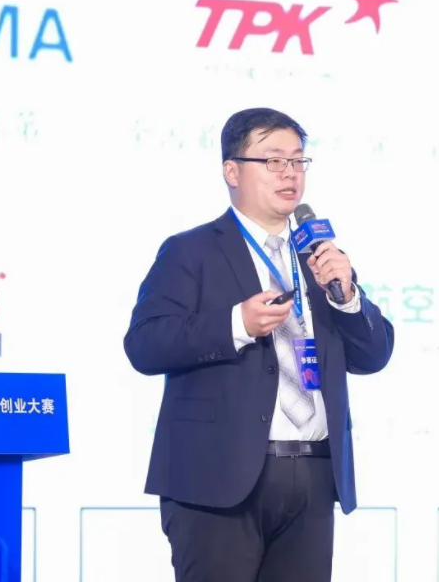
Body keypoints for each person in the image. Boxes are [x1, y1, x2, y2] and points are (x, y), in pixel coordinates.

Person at [123, 107, 395, 582]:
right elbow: (144, 344)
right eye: (273, 161)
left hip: (314, 473)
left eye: (298, 160)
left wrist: (348, 297)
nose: (290, 173)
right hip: (217, 480)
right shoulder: (190, 251)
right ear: (232, 171)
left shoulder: (318, 255)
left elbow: (373, 355)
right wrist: (237, 323)